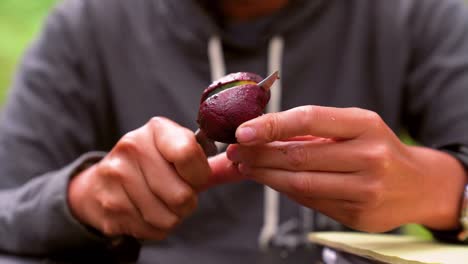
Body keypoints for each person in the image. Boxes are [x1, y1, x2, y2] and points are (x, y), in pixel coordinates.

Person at [0, 0, 467, 263]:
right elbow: (8, 206)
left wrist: (445, 192)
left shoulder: (415, 14)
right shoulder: (86, 28)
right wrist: (83, 198)